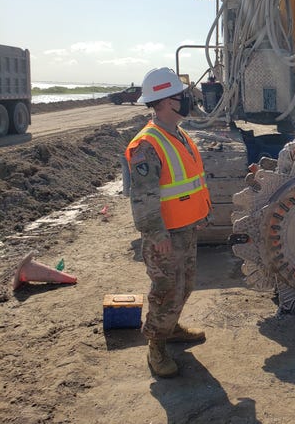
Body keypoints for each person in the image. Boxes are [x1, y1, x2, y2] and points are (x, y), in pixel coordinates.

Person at [124, 67, 211, 378]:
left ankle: (170, 329)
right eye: (180, 96)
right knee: (166, 291)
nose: (186, 100)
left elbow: (190, 180)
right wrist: (155, 232)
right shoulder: (147, 144)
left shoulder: (178, 134)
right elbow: (143, 197)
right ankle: (156, 346)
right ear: (163, 102)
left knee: (185, 285)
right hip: (165, 234)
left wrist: (202, 213)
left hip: (185, 228)